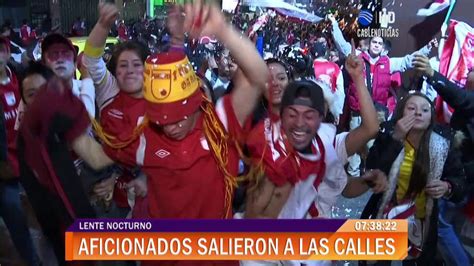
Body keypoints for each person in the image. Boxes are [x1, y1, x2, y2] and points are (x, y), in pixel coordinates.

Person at [240, 44, 382, 266]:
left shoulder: (328, 141)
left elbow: (370, 128)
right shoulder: (253, 136)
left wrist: (358, 77)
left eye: (281, 77)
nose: (275, 83)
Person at [361, 92, 467, 265]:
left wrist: (447, 186)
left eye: (425, 110)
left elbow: (460, 182)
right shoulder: (388, 133)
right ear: (401, 113)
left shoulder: (442, 144)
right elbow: (372, 169)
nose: (418, 113)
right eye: (411, 108)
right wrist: (396, 138)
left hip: (421, 220)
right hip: (385, 214)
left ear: (431, 117)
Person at [328, 14, 435, 177]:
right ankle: (353, 174)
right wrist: (334, 24)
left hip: (376, 113)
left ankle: (370, 173)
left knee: (373, 144)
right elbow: (342, 45)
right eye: (374, 42)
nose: (376, 45)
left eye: (380, 43)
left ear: (382, 47)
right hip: (357, 111)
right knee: (355, 143)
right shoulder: (357, 56)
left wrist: (427, 48)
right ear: (370, 44)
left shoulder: (388, 63)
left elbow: (409, 61)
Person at [413, 54, 474, 265]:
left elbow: (459, 98)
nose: (467, 74)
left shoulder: (469, 99)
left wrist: (432, 74)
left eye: (471, 72)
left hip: (467, 174)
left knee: (441, 223)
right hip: (461, 172)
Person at [0, 36, 40, 266]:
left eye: (1, 49)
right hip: (4, 169)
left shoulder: (21, 79)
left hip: (24, 161)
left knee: (25, 220)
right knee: (15, 215)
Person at [41, 33, 95, 117]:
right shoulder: (34, 93)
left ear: (75, 65)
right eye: (53, 54)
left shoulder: (85, 89)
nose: (60, 59)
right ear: (44, 64)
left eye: (66, 54)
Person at [312, 42, 345, 125]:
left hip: (312, 109)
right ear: (325, 53)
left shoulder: (310, 67)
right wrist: (337, 111)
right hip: (330, 110)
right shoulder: (335, 67)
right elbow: (340, 92)